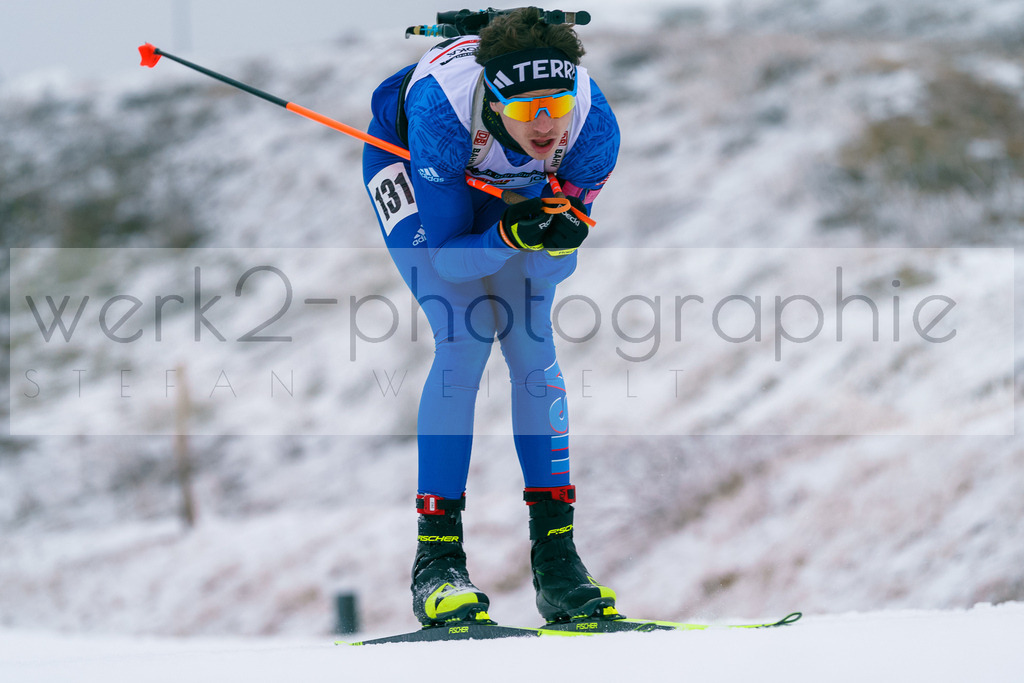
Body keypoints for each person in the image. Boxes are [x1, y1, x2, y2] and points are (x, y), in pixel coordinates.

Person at [362, 7, 620, 626]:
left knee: (533, 343)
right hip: (416, 168)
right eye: (529, 109)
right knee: (466, 334)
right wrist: (508, 234)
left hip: (510, 188)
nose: (547, 126)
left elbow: (548, 274)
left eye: (558, 105)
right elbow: (450, 259)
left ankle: (557, 561)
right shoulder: (440, 112)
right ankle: (437, 562)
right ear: (496, 96)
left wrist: (553, 240)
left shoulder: (592, 133)